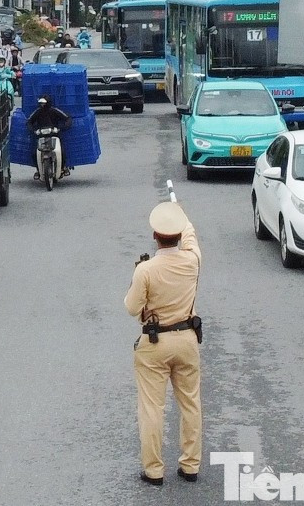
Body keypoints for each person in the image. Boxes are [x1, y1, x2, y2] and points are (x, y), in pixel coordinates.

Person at [124, 201, 203, 486]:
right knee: (190, 403)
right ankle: (190, 465)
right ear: (180, 235)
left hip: (155, 343)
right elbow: (191, 238)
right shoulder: (192, 260)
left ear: (155, 236)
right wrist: (181, 214)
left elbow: (132, 308)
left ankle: (154, 470)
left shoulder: (146, 270)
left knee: (152, 408)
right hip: (187, 339)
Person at [27, 96, 73, 177]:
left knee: (62, 152)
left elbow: (67, 118)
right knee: (34, 154)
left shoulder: (54, 110)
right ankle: (38, 170)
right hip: (41, 136)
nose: (42, 105)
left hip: (54, 135)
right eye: (41, 103)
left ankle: (62, 168)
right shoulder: (37, 112)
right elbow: (29, 122)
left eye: (44, 103)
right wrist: (34, 130)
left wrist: (60, 128)